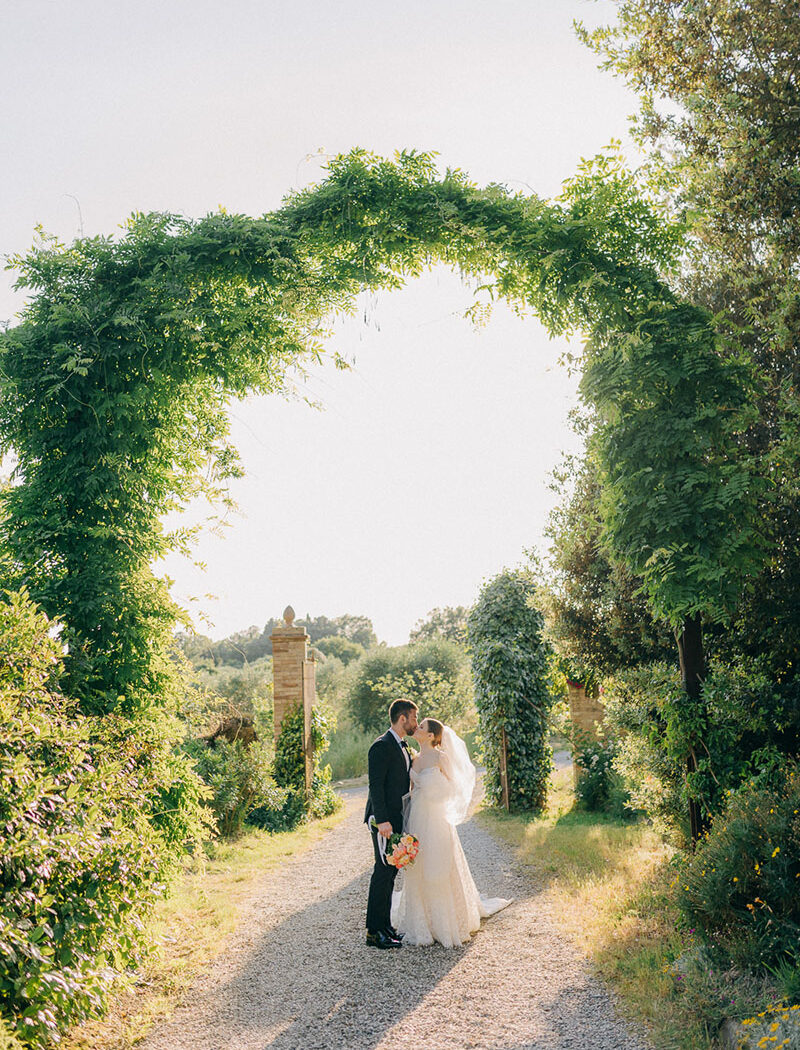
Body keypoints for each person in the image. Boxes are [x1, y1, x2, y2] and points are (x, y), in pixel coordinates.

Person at [391, 716, 511, 947]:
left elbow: (456, 787)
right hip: (418, 818)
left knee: (440, 865)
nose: (417, 727)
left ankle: (446, 922)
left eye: (422, 726)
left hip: (437, 819)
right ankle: (422, 922)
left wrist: (436, 791)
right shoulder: (414, 759)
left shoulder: (440, 757)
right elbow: (411, 791)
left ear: (431, 736)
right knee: (421, 866)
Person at [363, 698, 418, 949]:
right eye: (414, 718)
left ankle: (386, 927)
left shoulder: (402, 746)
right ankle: (374, 933)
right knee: (382, 872)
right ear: (402, 718)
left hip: (397, 817)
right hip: (382, 820)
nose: (415, 723)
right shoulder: (381, 746)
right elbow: (375, 786)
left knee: (391, 872)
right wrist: (383, 820)